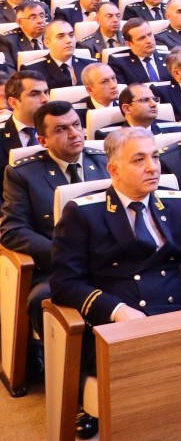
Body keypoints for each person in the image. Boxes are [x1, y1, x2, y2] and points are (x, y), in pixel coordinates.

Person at [49, 125, 181, 424]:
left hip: (177, 317)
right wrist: (117, 311)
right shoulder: (83, 213)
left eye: (155, 157)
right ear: (114, 170)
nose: (152, 167)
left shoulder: (176, 203)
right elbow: (64, 283)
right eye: (139, 160)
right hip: (119, 325)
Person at [2, 100, 108, 340]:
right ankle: (64, 370)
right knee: (40, 299)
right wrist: (63, 255)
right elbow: (13, 229)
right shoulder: (22, 174)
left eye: (76, 125)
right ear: (42, 141)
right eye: (61, 129)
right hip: (58, 266)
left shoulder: (104, 162)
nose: (74, 134)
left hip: (110, 259)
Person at [95, 84, 181, 139]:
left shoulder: (176, 129)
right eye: (145, 100)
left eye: (154, 99)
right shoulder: (109, 136)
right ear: (127, 108)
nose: (153, 104)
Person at [26, 19, 91, 89]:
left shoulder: (90, 66)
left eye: (71, 35)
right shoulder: (33, 70)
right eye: (61, 37)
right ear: (47, 43)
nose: (69, 40)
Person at [1, 71, 50, 162]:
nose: (45, 99)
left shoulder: (60, 128)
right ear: (14, 103)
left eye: (46, 92)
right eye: (34, 94)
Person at [108, 18, 169, 86]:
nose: (149, 41)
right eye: (142, 38)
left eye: (149, 34)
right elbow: (122, 92)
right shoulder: (118, 61)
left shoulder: (168, 57)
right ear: (129, 44)